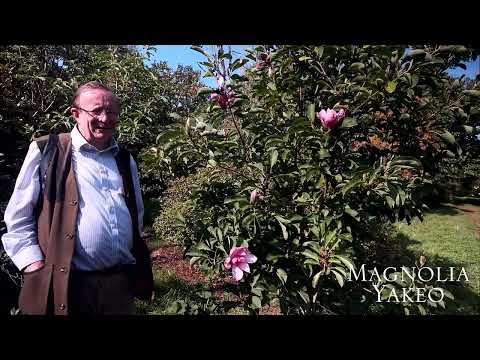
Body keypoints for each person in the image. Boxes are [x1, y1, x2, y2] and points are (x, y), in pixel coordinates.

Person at [1, 81, 153, 315]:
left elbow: (136, 215)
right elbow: (18, 217)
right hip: (70, 285)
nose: (105, 118)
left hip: (119, 286)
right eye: (97, 111)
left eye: (111, 111)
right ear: (76, 114)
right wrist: (34, 265)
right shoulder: (47, 150)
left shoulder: (124, 158)